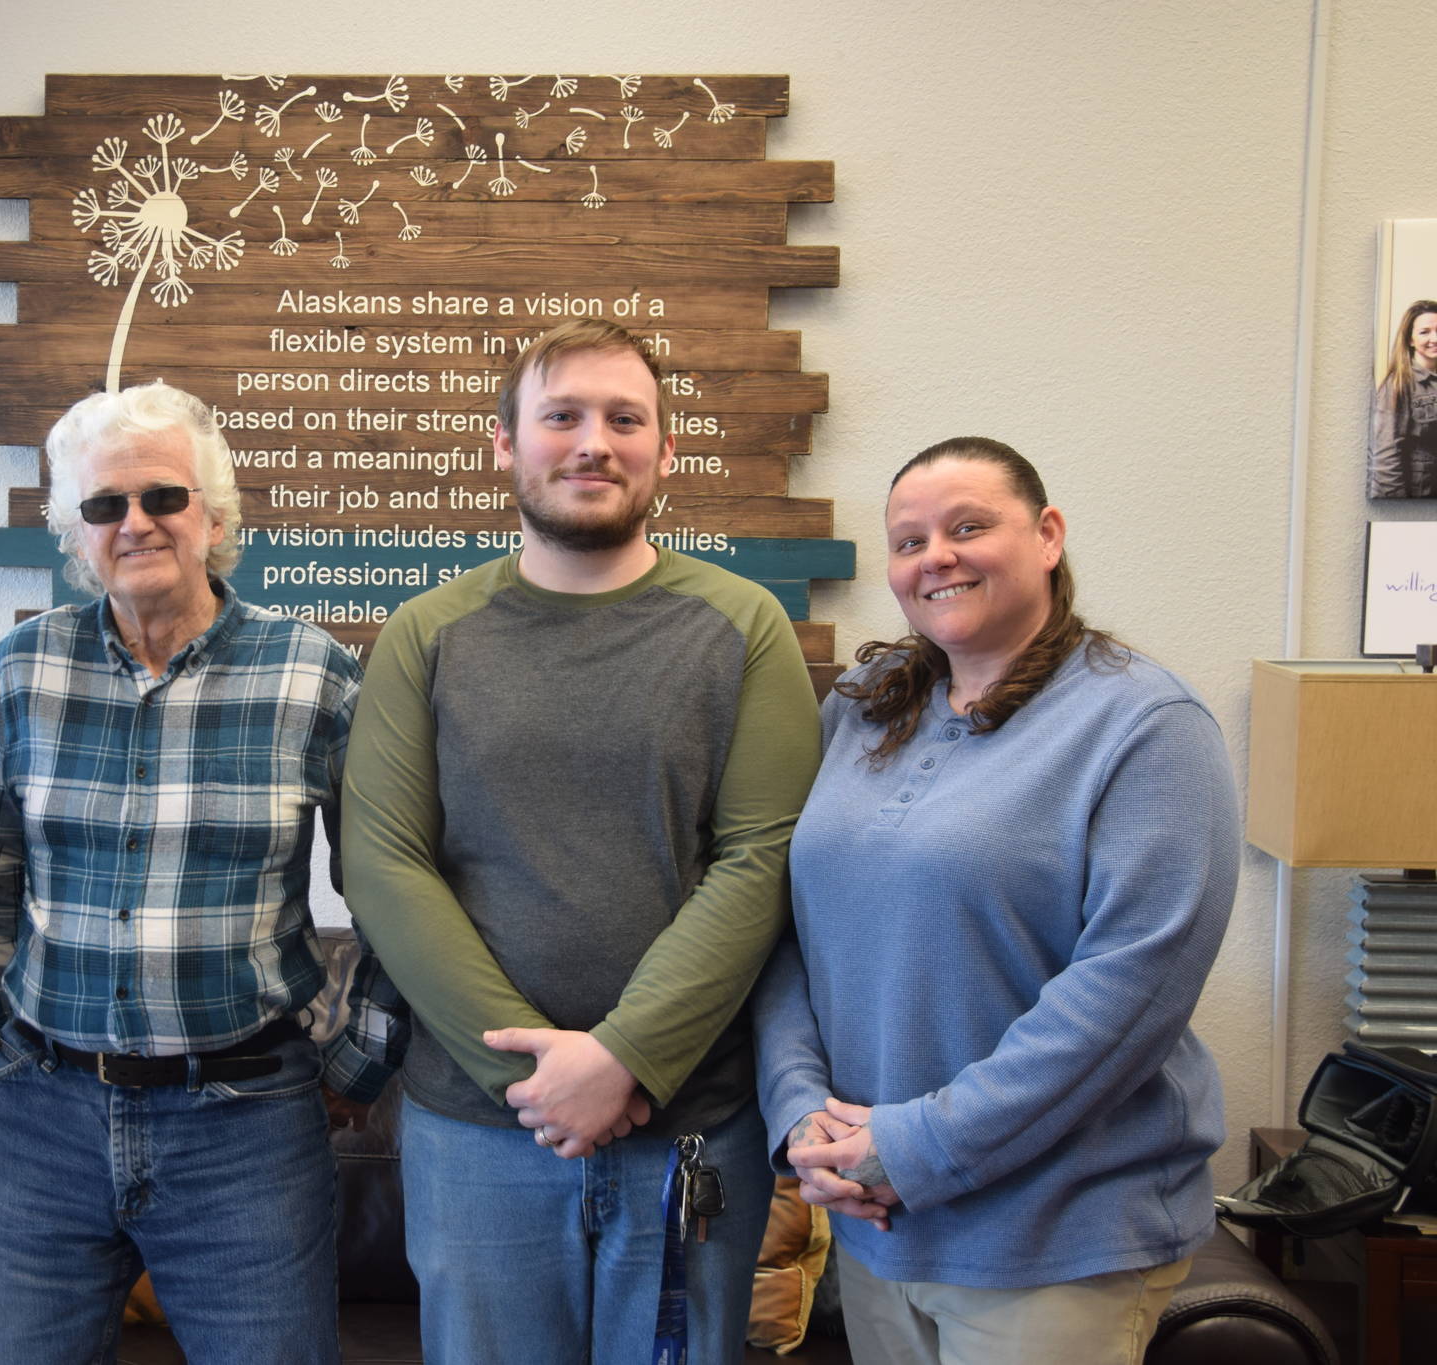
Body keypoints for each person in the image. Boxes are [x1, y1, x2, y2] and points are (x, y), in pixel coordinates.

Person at [343, 318, 822, 1363]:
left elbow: (758, 861)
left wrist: (624, 1059)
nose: (592, 442)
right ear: (504, 446)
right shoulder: (424, 636)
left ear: (662, 450)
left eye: (623, 418)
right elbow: (382, 864)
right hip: (475, 1133)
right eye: (559, 416)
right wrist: (539, 1080)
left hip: (689, 1127)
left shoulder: (743, 628)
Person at [753, 437, 1239, 1365]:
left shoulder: (1146, 727)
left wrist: (920, 1144)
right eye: (908, 540)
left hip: (1053, 1241)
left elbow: (1130, 991)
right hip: (873, 1222)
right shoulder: (860, 707)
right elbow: (787, 936)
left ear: (1048, 535)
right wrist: (799, 1111)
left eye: (968, 526)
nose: (935, 555)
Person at [0, 380, 402, 1365]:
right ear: (74, 535)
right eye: (103, 505)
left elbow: (388, 889)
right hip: (42, 1118)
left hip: (242, 1127)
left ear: (212, 515)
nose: (135, 523)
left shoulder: (313, 673)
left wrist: (355, 1065)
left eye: (162, 497)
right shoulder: (24, 669)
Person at [1369, 299, 1437, 498]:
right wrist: (1399, 511)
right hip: (1416, 500)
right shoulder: (1398, 384)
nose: (1434, 338)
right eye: (1424, 332)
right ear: (1410, 339)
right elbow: (1385, 457)